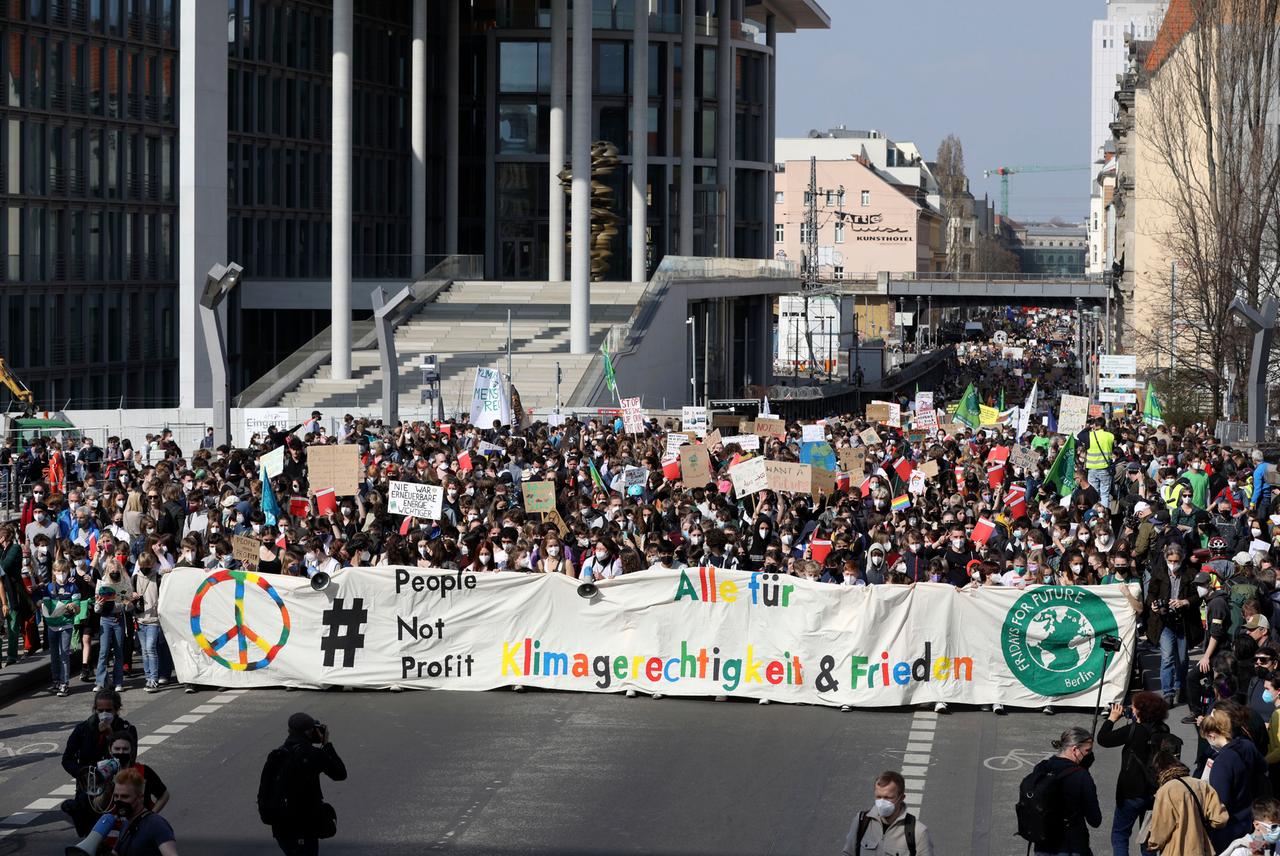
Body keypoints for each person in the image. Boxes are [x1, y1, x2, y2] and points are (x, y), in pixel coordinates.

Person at [258, 712, 347, 856]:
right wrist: (326, 744)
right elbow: (340, 774)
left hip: (281, 828)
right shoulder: (312, 754)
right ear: (309, 731)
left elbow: (264, 790)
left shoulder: (276, 755)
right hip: (304, 828)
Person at [1097, 691, 1171, 856]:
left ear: (1140, 711)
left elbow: (1103, 739)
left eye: (1134, 706)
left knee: (1120, 835)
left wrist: (1112, 719)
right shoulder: (1163, 729)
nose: (1131, 708)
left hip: (1131, 792)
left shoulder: (1133, 730)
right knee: (1148, 837)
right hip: (1154, 791)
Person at [60, 688, 138, 835]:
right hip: (89, 785)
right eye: (100, 710)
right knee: (89, 827)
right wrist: (82, 774)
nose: (104, 715)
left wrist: (111, 736)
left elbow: (130, 759)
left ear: (117, 710)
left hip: (116, 785)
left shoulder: (126, 729)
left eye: (108, 710)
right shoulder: (83, 729)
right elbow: (67, 759)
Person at [1201, 707, 1270, 851]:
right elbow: (1263, 767)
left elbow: (1221, 802)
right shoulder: (1247, 745)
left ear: (1212, 735)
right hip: (1251, 817)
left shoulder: (1222, 762)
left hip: (1231, 826)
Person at [1026, 727, 1101, 856]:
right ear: (1075, 750)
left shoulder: (1042, 767)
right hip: (1071, 845)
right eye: (1087, 751)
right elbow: (1095, 820)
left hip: (1043, 843)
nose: (1089, 755)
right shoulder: (1081, 776)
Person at [1144, 748, 1227, 855]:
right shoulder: (1201, 785)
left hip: (1175, 851)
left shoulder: (1166, 790)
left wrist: (1152, 844)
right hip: (1200, 849)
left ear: (1159, 770)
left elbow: (1160, 829)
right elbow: (1220, 819)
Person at [840, 769, 934, 856]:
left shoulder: (918, 832)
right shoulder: (861, 821)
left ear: (901, 798)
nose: (882, 802)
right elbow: (848, 853)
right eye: (878, 797)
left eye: (888, 798)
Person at [110, 766, 179, 855]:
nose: (119, 801)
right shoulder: (126, 825)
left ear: (140, 797)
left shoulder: (156, 824)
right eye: (116, 796)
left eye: (125, 796)